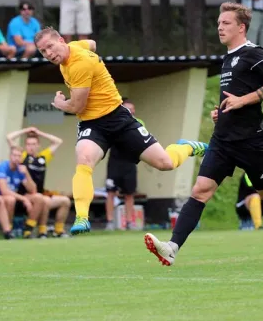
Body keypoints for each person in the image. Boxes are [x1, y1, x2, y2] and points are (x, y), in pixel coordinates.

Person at [143, 2, 263, 266]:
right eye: (218, 23)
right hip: (223, 141)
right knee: (200, 190)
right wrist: (222, 112)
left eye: (225, 23)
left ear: (241, 27)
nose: (219, 28)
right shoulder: (227, 59)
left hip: (251, 141)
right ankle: (172, 247)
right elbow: (233, 97)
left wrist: (241, 101)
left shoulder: (253, 53)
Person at [34, 27, 208, 235]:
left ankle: (187, 147)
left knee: (166, 163)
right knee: (84, 160)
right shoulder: (73, 48)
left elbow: (77, 107)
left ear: (61, 40)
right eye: (43, 51)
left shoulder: (79, 63)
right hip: (93, 124)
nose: (49, 54)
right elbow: (92, 44)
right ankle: (82, 217)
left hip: (118, 118)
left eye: (50, 47)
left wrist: (60, 103)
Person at [6, 127, 70, 238]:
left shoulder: (44, 157)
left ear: (38, 145)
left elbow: (58, 141)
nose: (31, 147)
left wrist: (39, 132)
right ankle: (41, 231)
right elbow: (9, 137)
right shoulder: (23, 156)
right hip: (25, 195)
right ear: (26, 146)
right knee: (42, 199)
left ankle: (58, 230)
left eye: (34, 144)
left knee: (65, 201)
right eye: (29, 144)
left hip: (40, 194)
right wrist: (26, 130)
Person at [105, 98, 144, 231]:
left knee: (129, 194)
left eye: (133, 111)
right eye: (128, 110)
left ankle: (129, 223)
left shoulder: (138, 124)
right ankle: (109, 222)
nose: (131, 113)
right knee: (111, 192)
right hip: (114, 163)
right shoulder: (112, 123)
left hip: (130, 163)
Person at [0, 146, 38, 231]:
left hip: (14, 197)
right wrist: (24, 199)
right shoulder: (2, 167)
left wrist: (27, 173)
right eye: (14, 155)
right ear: (10, 156)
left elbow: (33, 190)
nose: (16, 158)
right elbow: (4, 191)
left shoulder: (20, 169)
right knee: (11, 199)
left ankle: (28, 229)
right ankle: (8, 229)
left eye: (19, 156)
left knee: (38, 197)